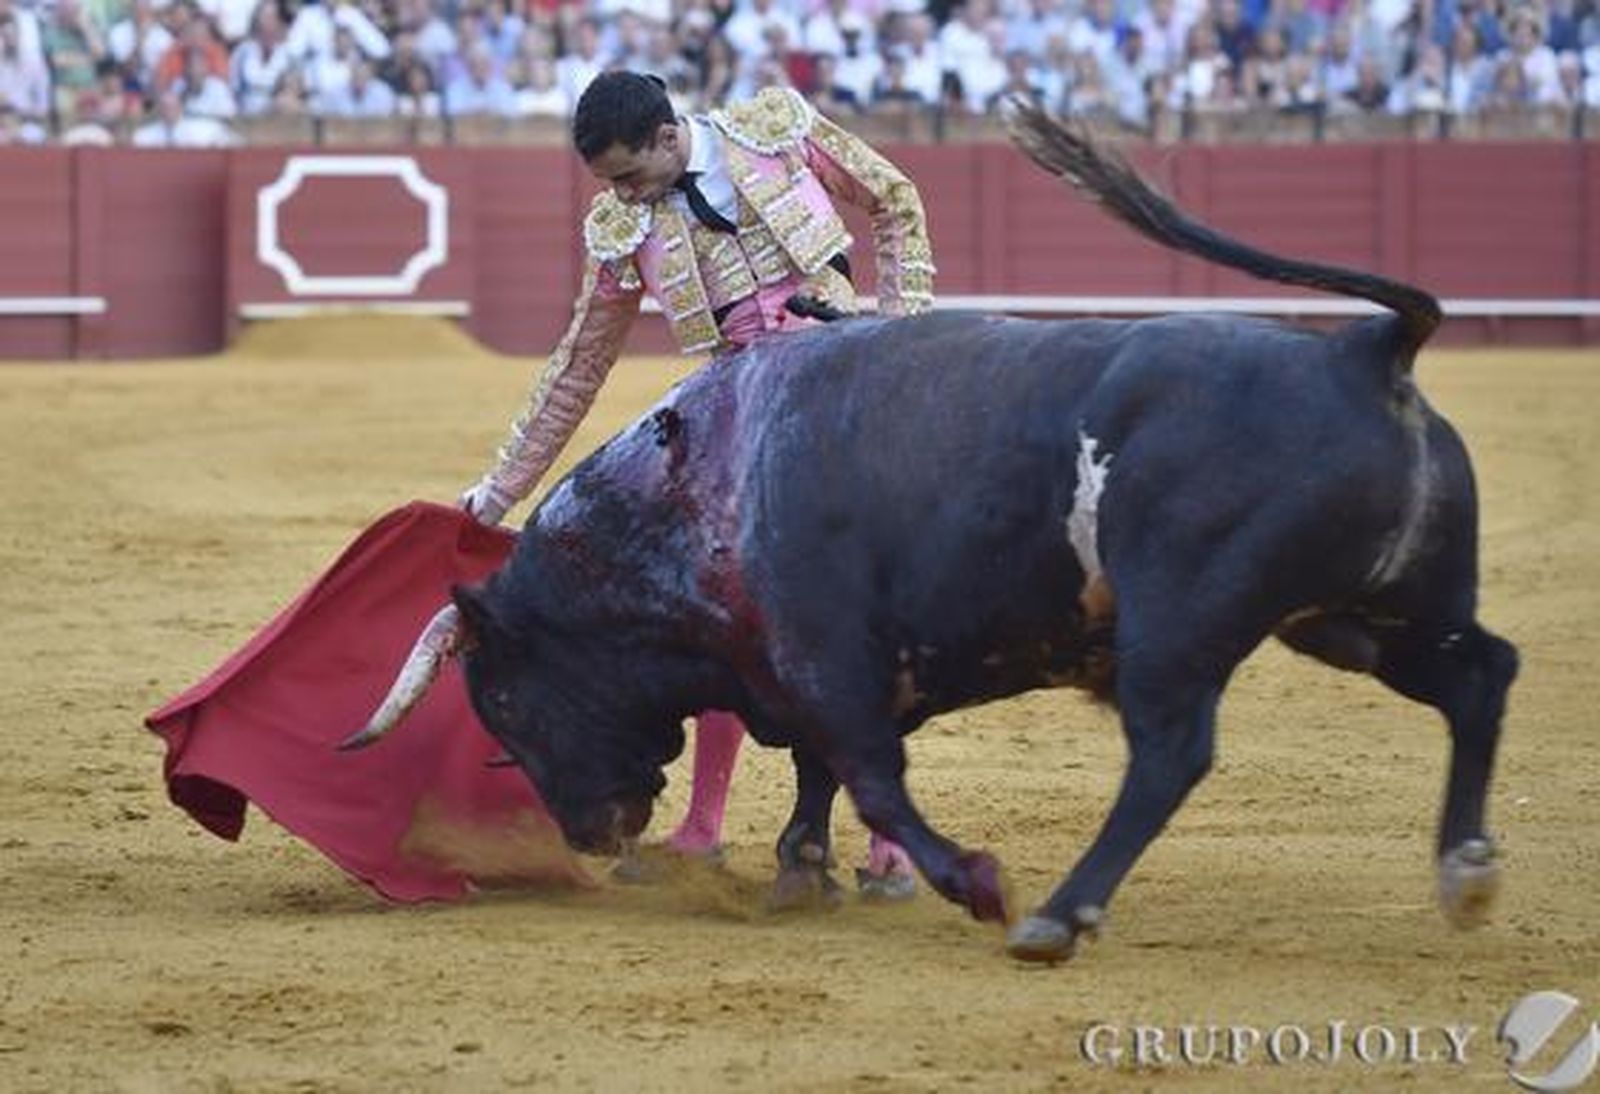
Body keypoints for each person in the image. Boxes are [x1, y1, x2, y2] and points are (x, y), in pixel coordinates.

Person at [369, 70, 934, 897]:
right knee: (708, 612)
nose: (623, 198)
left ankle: (888, 838)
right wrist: (497, 493)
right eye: (609, 184)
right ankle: (702, 825)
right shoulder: (620, 227)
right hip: (733, 419)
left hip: (843, 388)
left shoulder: (776, 130)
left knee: (867, 612)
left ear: (671, 136)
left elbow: (894, 199)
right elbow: (579, 366)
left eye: (631, 176)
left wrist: (900, 334)